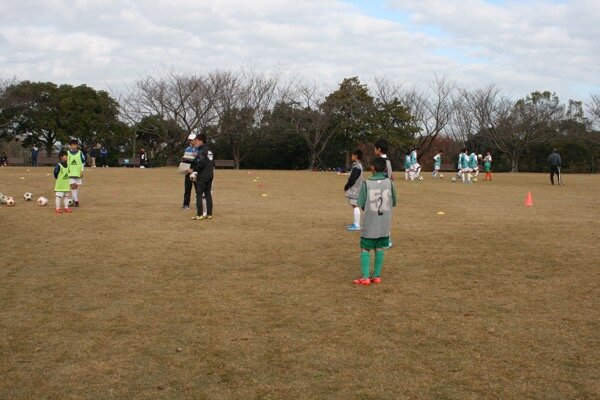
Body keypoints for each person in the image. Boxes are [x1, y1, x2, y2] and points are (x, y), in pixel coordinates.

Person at [353, 157, 397, 285]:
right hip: (384, 222)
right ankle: (376, 275)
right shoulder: (390, 183)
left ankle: (366, 277)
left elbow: (361, 203)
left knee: (365, 248)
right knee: (380, 247)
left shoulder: (366, 184)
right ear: (384, 168)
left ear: (372, 168)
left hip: (370, 222)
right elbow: (393, 202)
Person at [187, 134, 214, 220]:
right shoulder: (209, 150)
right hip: (210, 175)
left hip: (203, 175)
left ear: (201, 141)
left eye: (197, 141)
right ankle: (209, 214)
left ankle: (199, 214)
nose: (195, 142)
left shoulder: (202, 150)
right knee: (208, 193)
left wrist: (193, 169)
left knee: (198, 194)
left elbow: (201, 163)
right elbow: (212, 163)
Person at [344, 149, 364, 231]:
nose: (351, 157)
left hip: (355, 189)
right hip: (356, 188)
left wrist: (346, 186)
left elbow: (353, 179)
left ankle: (356, 225)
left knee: (355, 205)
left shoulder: (357, 166)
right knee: (354, 205)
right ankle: (355, 223)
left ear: (356, 156)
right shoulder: (357, 165)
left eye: (352, 155)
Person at [181, 134, 198, 210]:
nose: (190, 141)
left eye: (192, 140)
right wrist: (183, 159)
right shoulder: (187, 149)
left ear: (195, 140)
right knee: (187, 189)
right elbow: (185, 160)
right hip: (188, 170)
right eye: (189, 140)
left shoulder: (199, 149)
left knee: (198, 189)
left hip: (197, 170)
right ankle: (185, 204)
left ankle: (199, 204)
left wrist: (196, 156)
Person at [67, 139, 85, 207]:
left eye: (75, 145)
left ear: (77, 145)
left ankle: (73, 199)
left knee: (76, 187)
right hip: (70, 173)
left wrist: (82, 171)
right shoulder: (67, 153)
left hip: (78, 172)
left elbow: (83, 162)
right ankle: (76, 201)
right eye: (72, 145)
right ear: (70, 146)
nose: (74, 146)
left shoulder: (80, 153)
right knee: (73, 186)